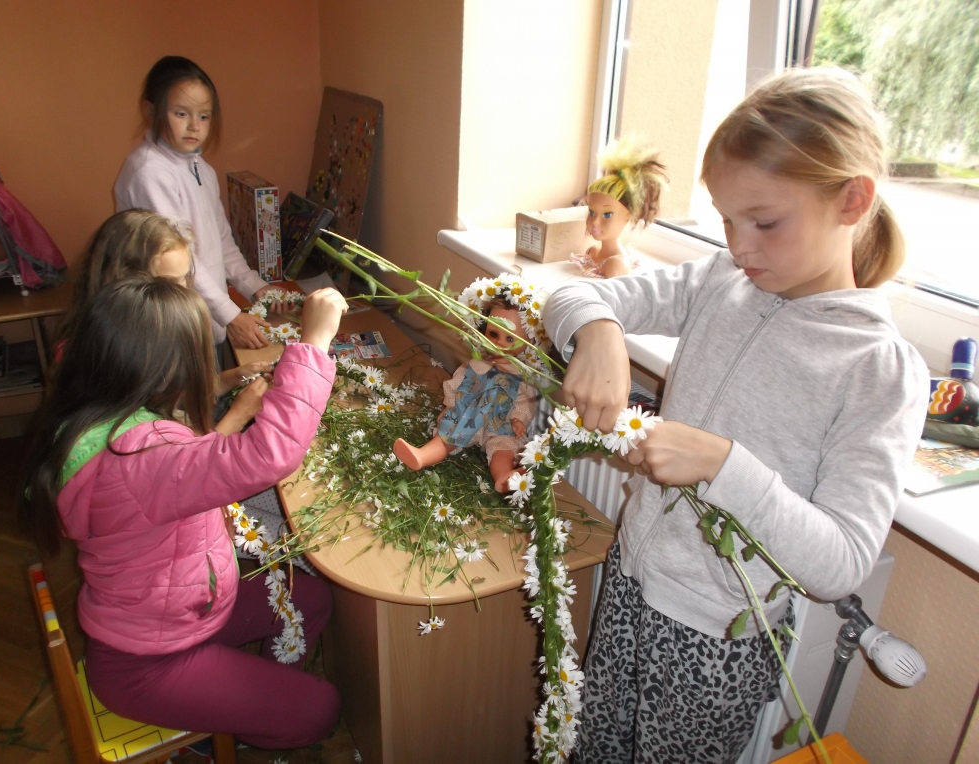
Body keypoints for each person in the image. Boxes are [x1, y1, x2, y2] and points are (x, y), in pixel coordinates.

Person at [544, 68, 929, 763]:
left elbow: (840, 562)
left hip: (715, 640)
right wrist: (599, 331)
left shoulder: (881, 369)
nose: (740, 245)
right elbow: (564, 300)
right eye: (726, 220)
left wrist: (724, 465)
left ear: (852, 200)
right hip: (630, 581)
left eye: (765, 222)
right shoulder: (722, 278)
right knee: (591, 748)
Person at [19, 276, 348, 750]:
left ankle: (248, 704)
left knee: (311, 598)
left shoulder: (97, 422)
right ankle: (233, 730)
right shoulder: (140, 455)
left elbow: (184, 472)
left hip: (183, 614)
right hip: (150, 664)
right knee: (320, 709)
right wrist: (314, 344)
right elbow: (268, 454)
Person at [114, 55, 282, 362]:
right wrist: (231, 315)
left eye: (204, 116)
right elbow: (181, 260)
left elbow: (221, 240)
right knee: (185, 406)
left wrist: (255, 286)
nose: (194, 126)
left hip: (205, 316)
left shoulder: (200, 168)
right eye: (181, 113)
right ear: (151, 110)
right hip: (168, 327)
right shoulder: (149, 172)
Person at [57, 209, 272, 434]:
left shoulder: (153, 334)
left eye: (185, 278)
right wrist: (237, 416)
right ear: (126, 282)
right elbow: (186, 463)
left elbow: (169, 395)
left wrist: (231, 377)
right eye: (168, 282)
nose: (184, 292)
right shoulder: (104, 357)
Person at [393, 299, 538, 493]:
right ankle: (422, 456)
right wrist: (450, 405)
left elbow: (525, 401)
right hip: (470, 414)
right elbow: (458, 384)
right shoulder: (477, 364)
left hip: (500, 421)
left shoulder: (520, 375)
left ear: (529, 341)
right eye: (493, 334)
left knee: (503, 448)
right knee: (449, 433)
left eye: (510, 339)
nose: (498, 343)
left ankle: (503, 478)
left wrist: (518, 419)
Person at [571, 136, 668, 279]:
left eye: (607, 214)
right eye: (591, 212)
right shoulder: (592, 252)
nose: (595, 221)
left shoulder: (617, 265)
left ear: (629, 216)